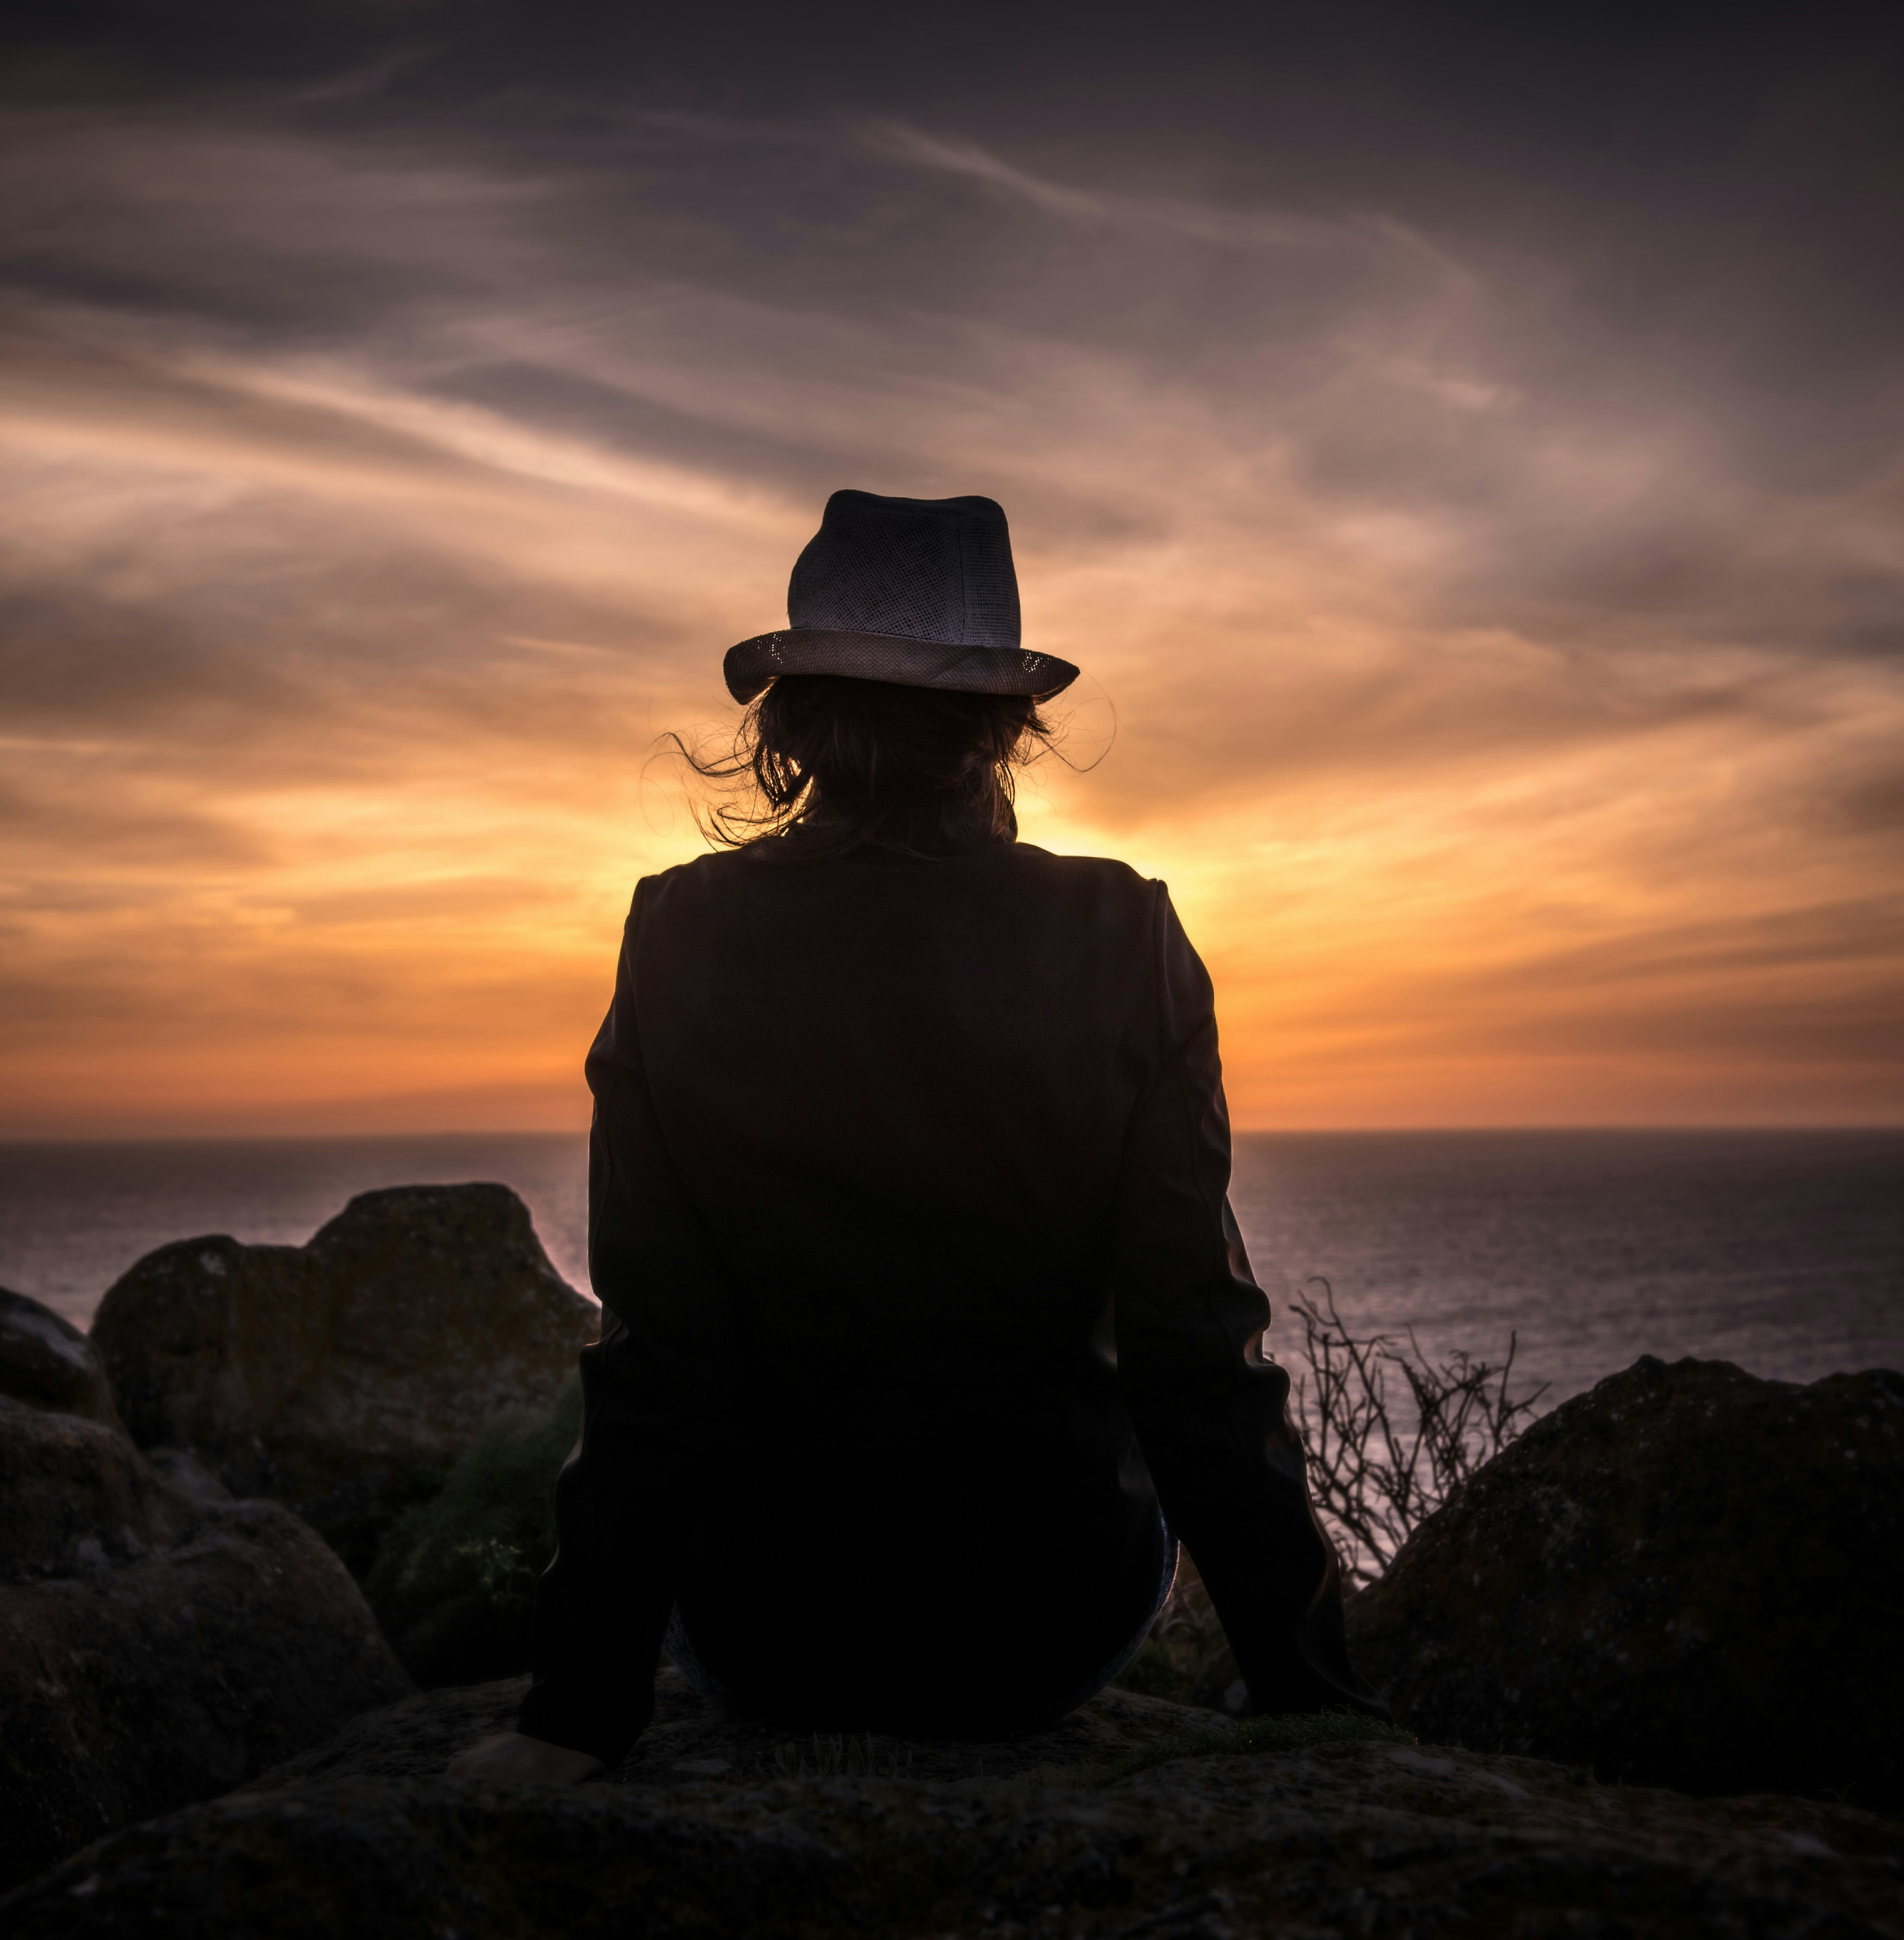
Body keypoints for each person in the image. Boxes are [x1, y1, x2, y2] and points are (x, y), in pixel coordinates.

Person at [448, 489, 1387, 1783]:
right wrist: (1309, 1688)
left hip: (771, 1637)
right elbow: (1192, 1349)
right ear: (1005, 723)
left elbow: (659, 1356)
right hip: (1048, 1632)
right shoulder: (1126, 936)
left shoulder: (679, 932)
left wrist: (571, 1716)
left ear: (788, 722)